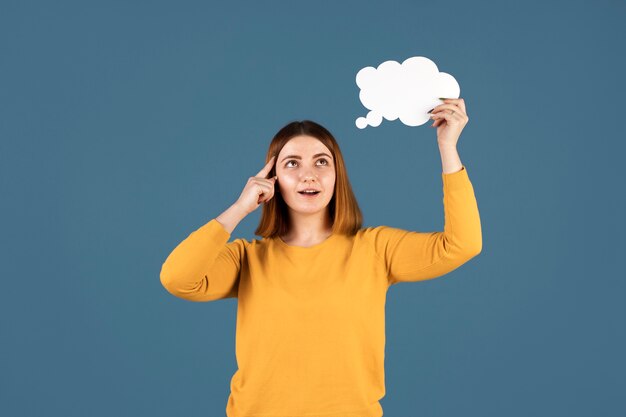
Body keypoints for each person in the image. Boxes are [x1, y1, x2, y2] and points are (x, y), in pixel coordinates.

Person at [160, 98, 482, 417]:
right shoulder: (246, 259)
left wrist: (447, 146)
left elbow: (462, 244)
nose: (308, 175)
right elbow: (176, 278)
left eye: (321, 162)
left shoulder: (374, 250)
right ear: (272, 178)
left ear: (337, 174)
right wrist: (240, 208)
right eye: (292, 163)